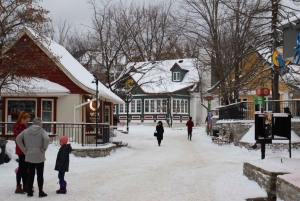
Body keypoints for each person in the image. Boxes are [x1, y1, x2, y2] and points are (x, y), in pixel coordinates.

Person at [16, 117, 50, 198]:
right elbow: (47, 139)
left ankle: (30, 192)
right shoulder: (42, 131)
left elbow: (18, 139)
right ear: (39, 124)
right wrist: (43, 148)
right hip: (39, 156)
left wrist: (24, 150)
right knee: (40, 174)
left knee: (31, 175)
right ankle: (40, 192)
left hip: (29, 156)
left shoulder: (26, 131)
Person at [13, 111, 31, 194]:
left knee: (25, 168)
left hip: (26, 150)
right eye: (27, 121)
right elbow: (20, 139)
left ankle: (25, 184)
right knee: (21, 168)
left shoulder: (23, 127)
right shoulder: (17, 127)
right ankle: (18, 186)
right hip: (21, 150)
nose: (27, 123)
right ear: (22, 119)